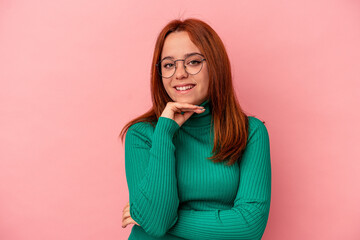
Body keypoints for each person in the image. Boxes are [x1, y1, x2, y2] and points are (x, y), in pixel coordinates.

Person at [119, 18, 271, 240]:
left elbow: (249, 228)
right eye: (169, 65)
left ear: (215, 65)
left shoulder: (250, 132)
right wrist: (165, 131)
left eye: (192, 62)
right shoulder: (141, 134)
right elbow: (157, 222)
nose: (179, 74)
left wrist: (146, 215)